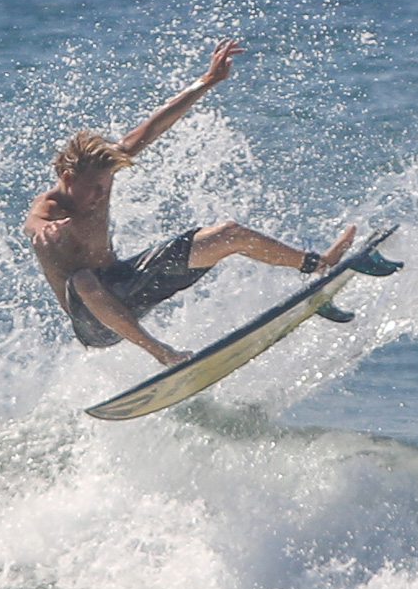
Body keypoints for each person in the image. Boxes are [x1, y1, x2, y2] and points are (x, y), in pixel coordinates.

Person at [23, 38, 356, 367]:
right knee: (82, 279)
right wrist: (42, 227)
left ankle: (317, 264)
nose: (100, 196)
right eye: (93, 189)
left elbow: (154, 126)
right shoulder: (51, 207)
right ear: (67, 179)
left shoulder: (102, 171)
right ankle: (163, 355)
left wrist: (207, 81)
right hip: (94, 322)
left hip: (127, 285)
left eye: (105, 188)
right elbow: (32, 222)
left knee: (229, 232)